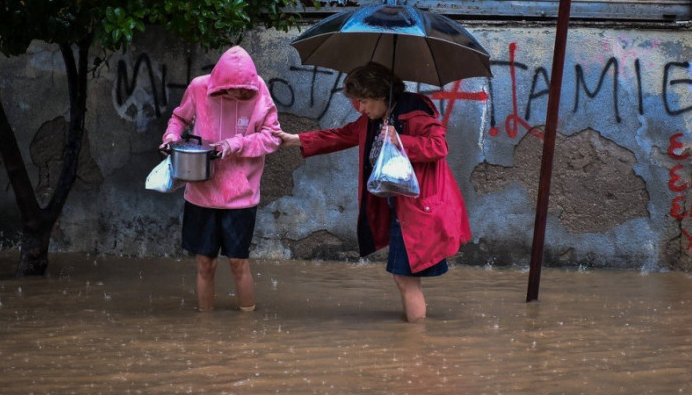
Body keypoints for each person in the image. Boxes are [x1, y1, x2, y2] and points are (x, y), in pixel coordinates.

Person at [277, 62, 471, 322]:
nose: (360, 108)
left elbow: (439, 146)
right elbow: (342, 135)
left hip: (418, 211)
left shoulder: (415, 115)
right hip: (402, 208)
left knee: (404, 279)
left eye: (364, 101)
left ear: (380, 95)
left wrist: (401, 140)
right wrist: (296, 140)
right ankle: (417, 336)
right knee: (405, 278)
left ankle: (416, 340)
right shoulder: (377, 119)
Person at [160, 46, 280, 312]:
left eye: (244, 90)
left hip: (242, 195)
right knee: (205, 263)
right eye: (233, 90)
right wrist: (171, 138)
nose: (240, 94)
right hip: (201, 191)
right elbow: (179, 118)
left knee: (238, 262)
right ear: (220, 84)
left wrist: (235, 144)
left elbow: (272, 137)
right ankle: (205, 327)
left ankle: (246, 326)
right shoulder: (198, 87)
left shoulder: (259, 88)